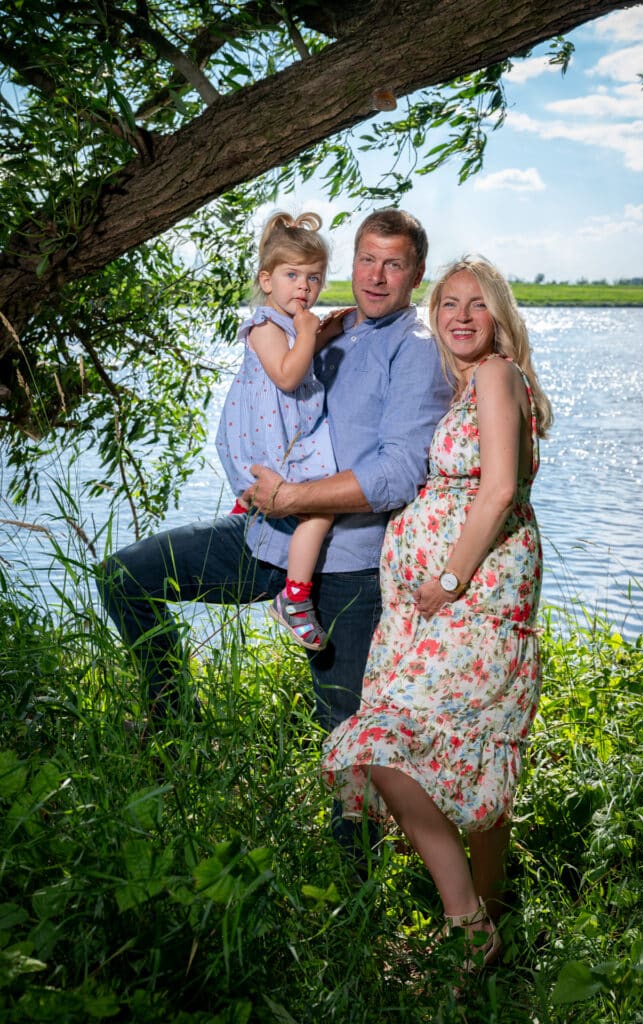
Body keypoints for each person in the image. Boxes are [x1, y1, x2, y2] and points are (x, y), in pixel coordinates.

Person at [96, 210, 450, 825]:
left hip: (344, 567)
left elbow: (396, 476)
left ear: (416, 273)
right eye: (367, 259)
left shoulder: (415, 351)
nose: (376, 275)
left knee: (347, 741)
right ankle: (173, 716)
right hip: (264, 537)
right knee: (125, 576)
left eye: (394, 264)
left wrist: (292, 498)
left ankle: (355, 890)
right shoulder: (333, 324)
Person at [320, 255, 553, 976]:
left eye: (474, 304)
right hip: (453, 598)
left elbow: (499, 488)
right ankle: (490, 921)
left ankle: (466, 924)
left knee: (381, 741)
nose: (457, 315)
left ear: (498, 316)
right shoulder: (476, 384)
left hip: (471, 594)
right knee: (472, 747)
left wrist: (447, 579)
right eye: (446, 303)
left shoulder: (493, 375)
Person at [215, 211, 335, 651]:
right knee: (320, 509)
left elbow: (299, 359)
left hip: (281, 435)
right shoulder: (264, 324)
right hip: (275, 439)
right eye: (292, 275)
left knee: (303, 503)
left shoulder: (287, 323)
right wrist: (309, 331)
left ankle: (247, 510)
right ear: (267, 281)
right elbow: (287, 375)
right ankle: (295, 599)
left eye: (314, 278)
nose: (304, 287)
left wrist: (322, 333)